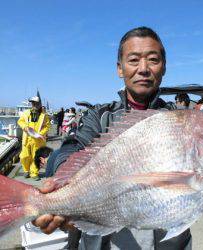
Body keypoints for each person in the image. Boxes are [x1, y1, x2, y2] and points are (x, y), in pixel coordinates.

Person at [33, 27, 192, 249]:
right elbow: (72, 148)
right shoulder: (100, 116)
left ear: (163, 67)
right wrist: (61, 184)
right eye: (134, 60)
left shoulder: (184, 123)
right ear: (120, 68)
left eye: (153, 60)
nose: (143, 69)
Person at [18, 96, 51, 180]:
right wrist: (25, 127)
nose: (34, 104)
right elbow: (20, 121)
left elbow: (47, 126)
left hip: (38, 140)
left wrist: (40, 134)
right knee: (24, 156)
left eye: (36, 103)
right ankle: (26, 170)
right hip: (27, 138)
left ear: (40, 104)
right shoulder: (26, 112)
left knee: (36, 157)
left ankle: (34, 173)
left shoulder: (44, 115)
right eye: (33, 103)